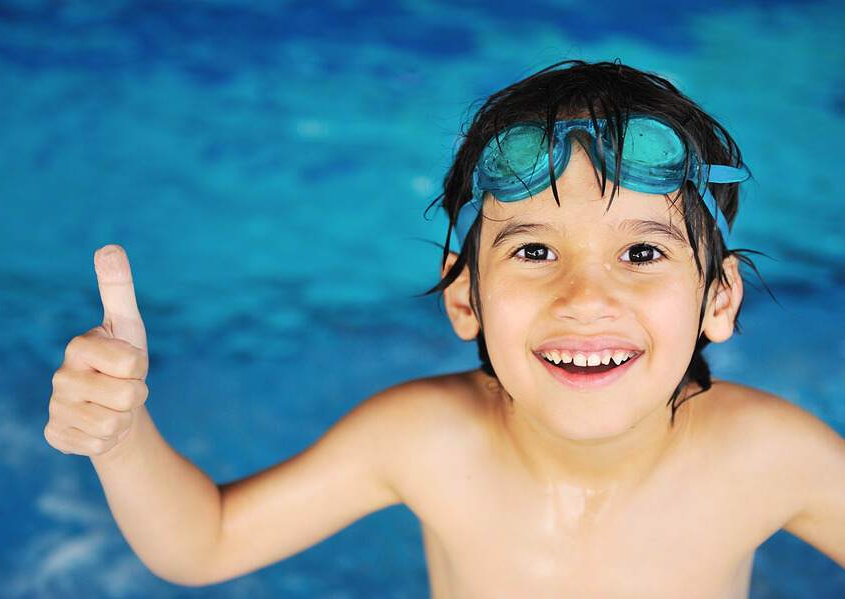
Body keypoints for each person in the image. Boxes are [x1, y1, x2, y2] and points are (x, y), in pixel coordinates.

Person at [45, 60, 845, 598]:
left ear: (718, 299)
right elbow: (206, 543)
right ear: (464, 298)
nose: (585, 295)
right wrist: (121, 437)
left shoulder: (771, 458)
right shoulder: (425, 438)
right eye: (534, 249)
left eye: (641, 251)